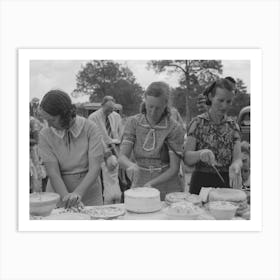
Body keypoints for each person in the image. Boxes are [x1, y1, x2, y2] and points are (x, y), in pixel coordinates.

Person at [118, 81, 185, 201]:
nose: (153, 112)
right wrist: (131, 166)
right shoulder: (133, 122)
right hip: (140, 181)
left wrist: (151, 184)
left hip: (167, 185)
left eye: (158, 108)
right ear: (145, 101)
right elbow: (122, 157)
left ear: (166, 104)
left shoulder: (174, 128)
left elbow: (174, 169)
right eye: (150, 107)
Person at [38, 90, 104, 208]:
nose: (49, 124)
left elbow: (95, 168)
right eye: (46, 120)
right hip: (58, 194)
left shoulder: (91, 128)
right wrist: (67, 197)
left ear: (65, 115)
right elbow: (53, 173)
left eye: (52, 120)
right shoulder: (45, 134)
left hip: (89, 193)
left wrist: (77, 194)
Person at [184, 78, 243, 195]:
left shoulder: (233, 126)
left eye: (229, 101)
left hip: (226, 183)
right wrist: (200, 154)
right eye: (220, 100)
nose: (224, 106)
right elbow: (187, 158)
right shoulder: (197, 123)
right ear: (210, 97)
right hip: (200, 184)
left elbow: (237, 158)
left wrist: (236, 165)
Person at [88, 96, 122, 204]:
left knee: (117, 173)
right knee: (106, 174)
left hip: (116, 146)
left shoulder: (116, 116)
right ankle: (106, 199)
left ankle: (117, 196)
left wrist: (118, 145)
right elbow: (96, 137)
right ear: (102, 105)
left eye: (112, 109)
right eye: (108, 109)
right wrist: (106, 152)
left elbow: (120, 131)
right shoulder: (93, 118)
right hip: (102, 149)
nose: (110, 112)